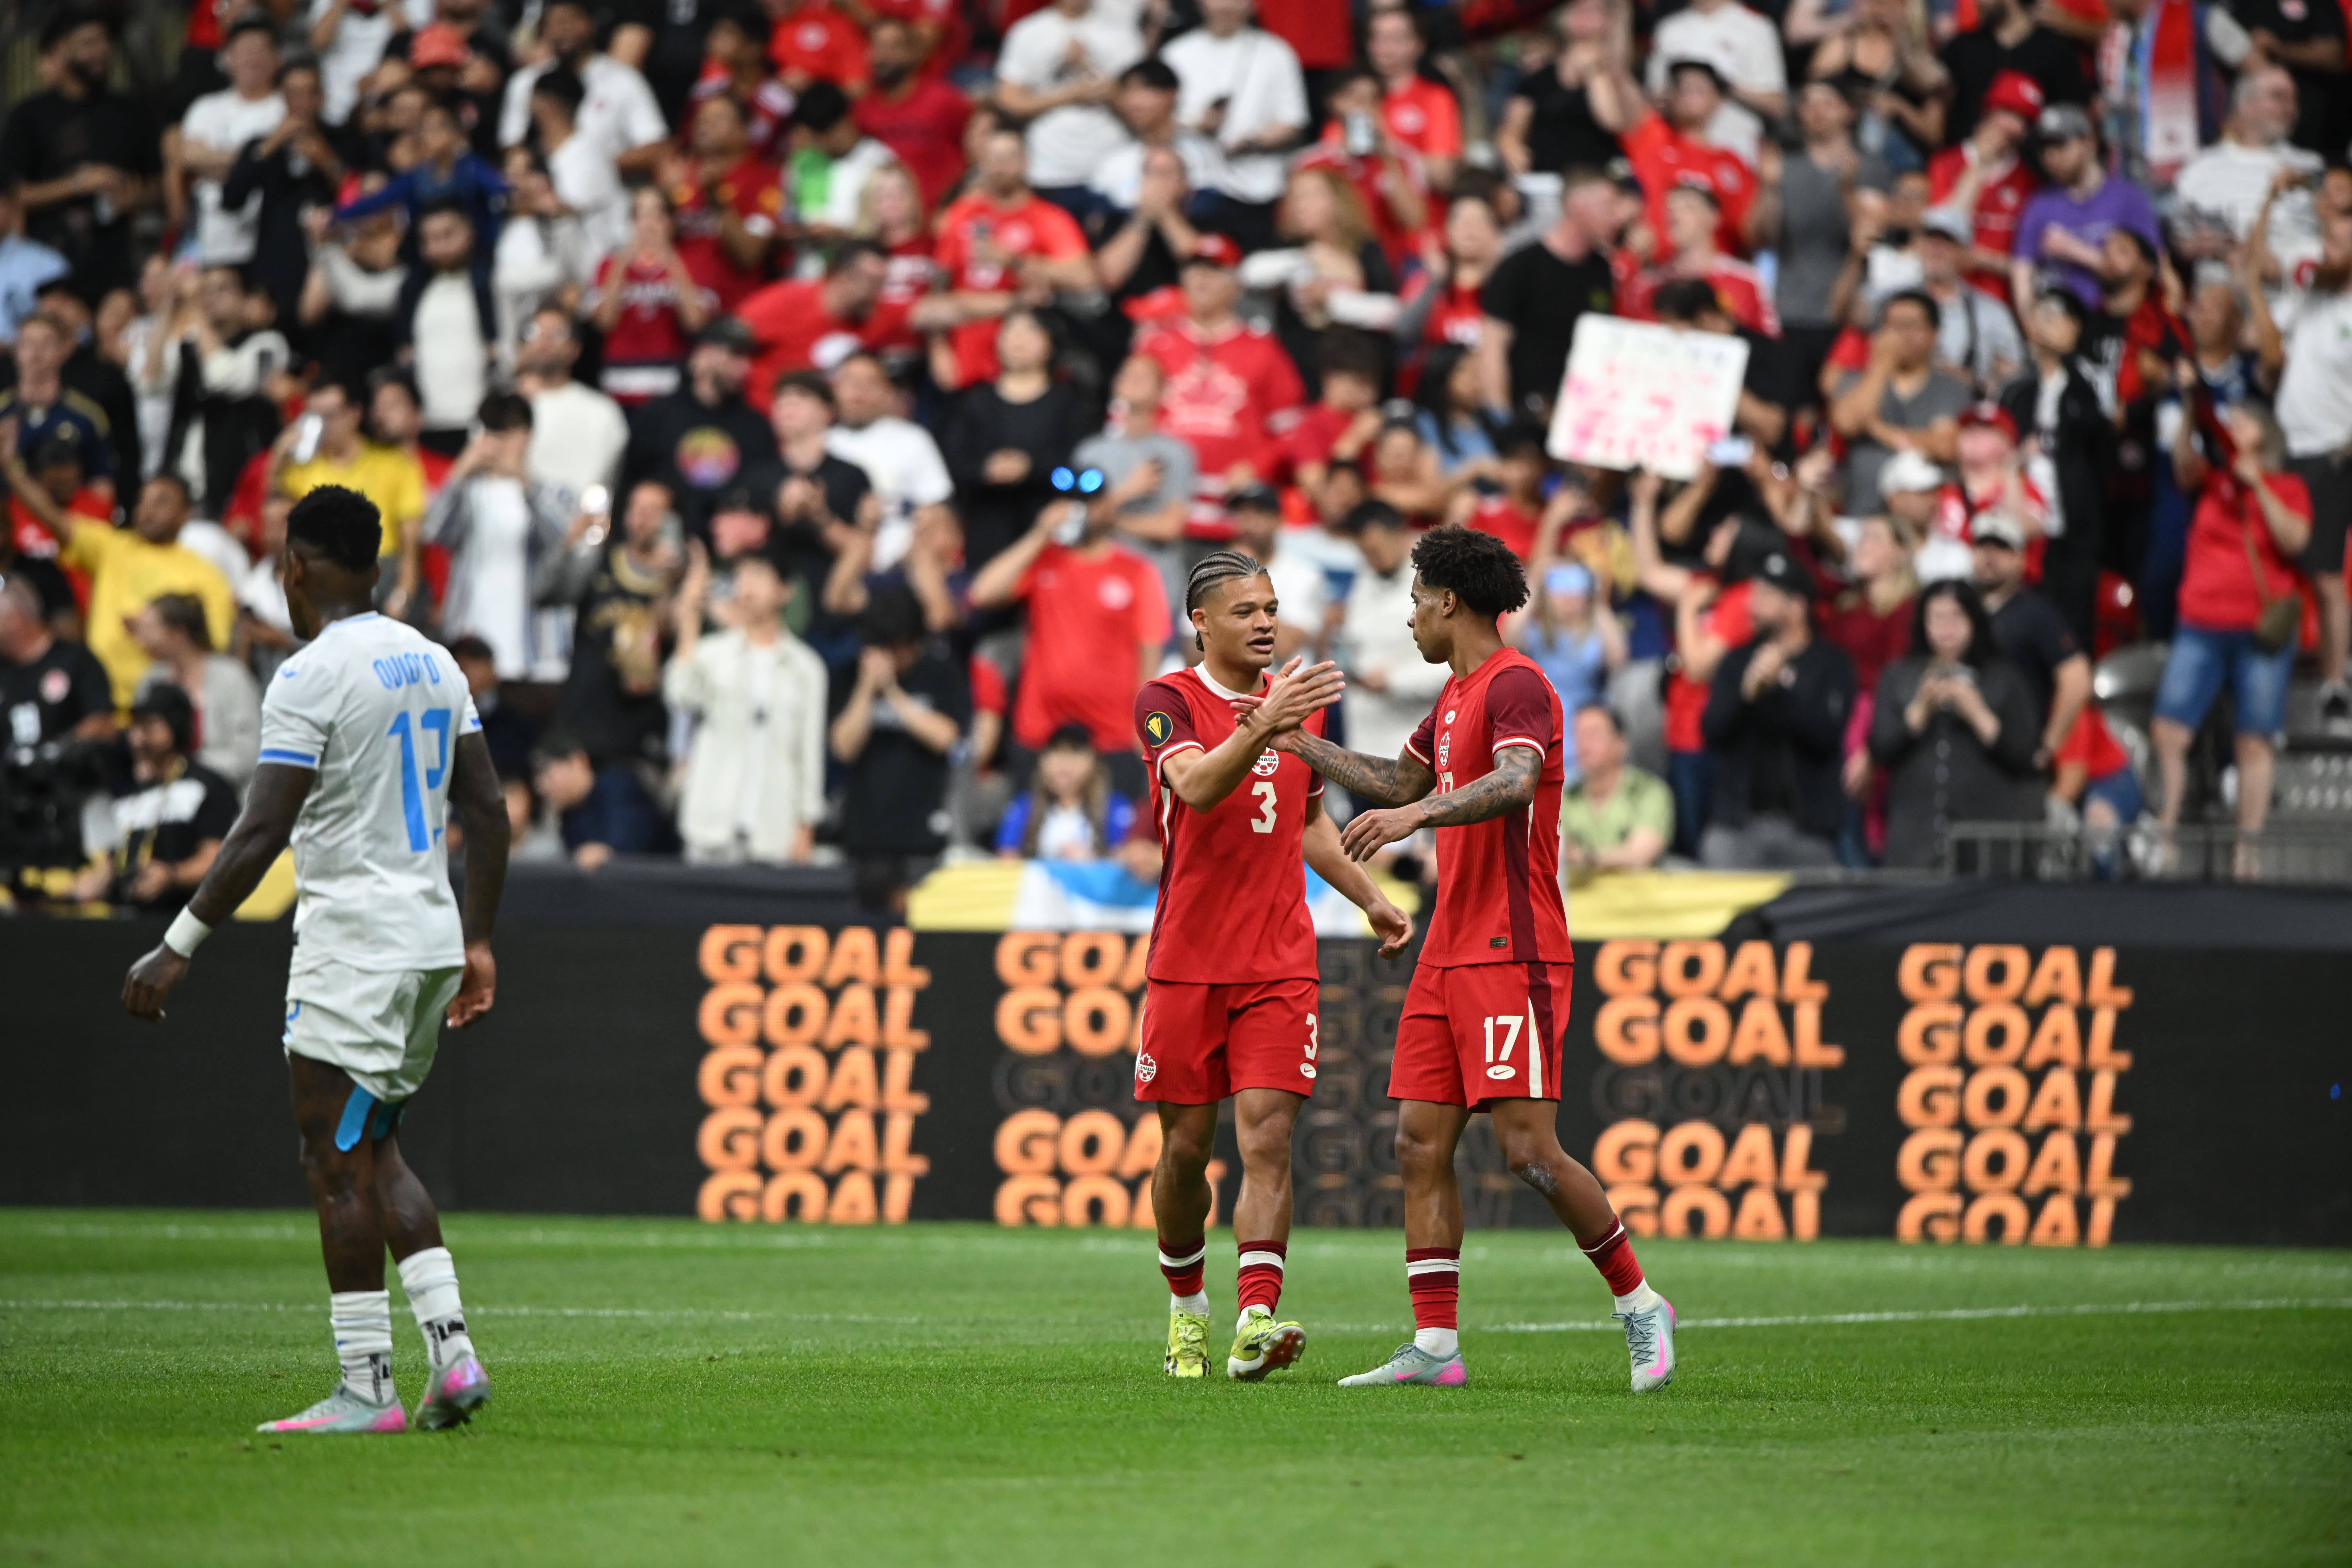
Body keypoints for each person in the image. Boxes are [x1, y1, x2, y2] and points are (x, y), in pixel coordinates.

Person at [121, 483, 511, 1436]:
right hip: (424, 944)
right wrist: (478, 937)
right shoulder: (435, 661)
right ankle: (453, 1358)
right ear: (375, 566)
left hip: (351, 948)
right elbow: (490, 812)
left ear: (295, 566)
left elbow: (261, 831)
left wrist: (176, 947)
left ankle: (364, 1388)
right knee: (373, 1148)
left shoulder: (309, 674)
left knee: (330, 1159)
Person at [1258, 526, 1673, 1394]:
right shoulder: (1452, 698)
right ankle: (1435, 1347)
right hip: (1449, 948)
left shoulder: (1516, 682)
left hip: (1512, 946)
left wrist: (1418, 820)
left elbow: (1515, 779)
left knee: (1527, 1149)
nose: (1409, 617)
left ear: (1448, 600)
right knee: (1417, 1143)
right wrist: (1295, 744)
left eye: (1415, 600)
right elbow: (1396, 781)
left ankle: (1638, 1302)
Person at [1130, 549, 1409, 1380]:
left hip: (1279, 960)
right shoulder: (1166, 702)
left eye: (1271, 607)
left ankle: (1256, 1316)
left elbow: (1308, 825)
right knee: (1185, 1151)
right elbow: (1197, 788)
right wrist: (1263, 721)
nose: (1263, 621)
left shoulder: (1295, 715)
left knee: (1267, 1138)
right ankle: (1187, 1308)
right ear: (1202, 622)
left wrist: (1371, 898)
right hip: (1187, 959)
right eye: (1245, 609)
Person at [2152, 393, 2311, 854]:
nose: (2232, 428)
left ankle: (2248, 848)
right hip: (2201, 620)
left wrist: (2258, 483)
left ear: (2265, 432)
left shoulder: (2287, 486)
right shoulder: (2212, 479)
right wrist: (2187, 409)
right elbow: (2183, 464)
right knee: (2168, 730)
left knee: (2254, 740)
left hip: (2258, 628)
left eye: (2241, 422)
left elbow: (2296, 540)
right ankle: (2165, 834)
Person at [967, 452, 1172, 793]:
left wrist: (1143, 731)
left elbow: (1150, 653)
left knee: (1109, 841)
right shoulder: (1044, 560)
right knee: (1032, 838)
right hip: (1040, 734)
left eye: (1088, 503)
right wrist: (1038, 535)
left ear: (1108, 506)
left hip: (1111, 737)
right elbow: (982, 593)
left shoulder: (1137, 572)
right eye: (1069, 502)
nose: (1078, 511)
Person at [3, 451, 234, 715]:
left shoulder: (206, 575)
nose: (148, 510)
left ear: (185, 514)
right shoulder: (113, 547)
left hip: (158, 710)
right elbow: (53, 518)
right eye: (144, 501)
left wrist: (160, 631)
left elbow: (211, 646)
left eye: (162, 503)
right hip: (96, 703)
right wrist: (10, 467)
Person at [2254, 185, 2352, 727]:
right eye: (2326, 241)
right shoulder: (2312, 295)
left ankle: (2336, 685)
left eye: (2339, 242)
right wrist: (2270, 201)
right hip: (2288, 450)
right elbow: (2257, 268)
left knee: (2327, 576)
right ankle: (2280, 680)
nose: (2326, 251)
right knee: (2286, 571)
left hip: (2330, 454)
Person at [664, 550, 828, 865]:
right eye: (742, 577)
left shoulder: (806, 668)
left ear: (785, 590)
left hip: (774, 832)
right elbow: (679, 694)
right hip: (711, 824)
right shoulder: (714, 653)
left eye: (759, 576)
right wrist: (689, 622)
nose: (747, 587)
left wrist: (806, 825)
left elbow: (810, 751)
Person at [1869, 577, 2043, 871]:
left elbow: (2027, 755)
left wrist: (1978, 714)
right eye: (1937, 619)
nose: (1946, 630)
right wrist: (1919, 712)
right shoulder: (1899, 677)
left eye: (1956, 618)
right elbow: (1879, 748)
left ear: (1974, 621)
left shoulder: (2004, 678)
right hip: (1916, 838)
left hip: (1986, 842)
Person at [1132, 236, 1305, 528]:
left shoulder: (1263, 349)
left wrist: (1257, 468)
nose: (1202, 278)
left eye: (1214, 270)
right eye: (1195, 268)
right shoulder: (1154, 344)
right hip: (1161, 508)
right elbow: (1127, 415)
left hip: (1235, 514)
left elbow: (1291, 429)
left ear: (1235, 285)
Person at [1698, 551, 1856, 869]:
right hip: (1738, 826)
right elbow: (1711, 732)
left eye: (1766, 595)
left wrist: (1780, 689)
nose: (1752, 605)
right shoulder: (1737, 661)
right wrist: (1747, 693)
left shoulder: (1831, 664)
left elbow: (1826, 733)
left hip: (1807, 829)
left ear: (1797, 607)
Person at [0, 7, 161, 304]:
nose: (100, 52)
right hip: (46, 270)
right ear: (60, 51)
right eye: (88, 43)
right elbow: (15, 193)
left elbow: (157, 184)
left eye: (105, 43)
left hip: (116, 268)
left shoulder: (132, 113)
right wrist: (78, 183)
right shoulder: (29, 115)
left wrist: (133, 196)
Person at [424, 392, 580, 690]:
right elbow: (434, 532)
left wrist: (525, 482)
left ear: (528, 436)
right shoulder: (467, 492)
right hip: (471, 649)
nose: (501, 440)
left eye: (511, 431)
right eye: (493, 430)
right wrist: (460, 471)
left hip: (534, 652)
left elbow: (562, 541)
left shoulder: (555, 493)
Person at [830, 584, 967, 909]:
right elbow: (843, 747)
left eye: (898, 648)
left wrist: (893, 694)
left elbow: (947, 737)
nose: (889, 657)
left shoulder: (939, 672)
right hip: (864, 834)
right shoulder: (850, 675)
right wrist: (866, 690)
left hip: (922, 835)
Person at [941, 310, 1092, 569]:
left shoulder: (1071, 401)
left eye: (1031, 331)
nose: (1019, 339)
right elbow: (952, 461)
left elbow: (1084, 461)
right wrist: (985, 469)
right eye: (1010, 331)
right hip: (986, 524)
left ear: (1051, 343)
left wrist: (1032, 468)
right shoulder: (973, 401)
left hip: (1052, 521)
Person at [274, 378, 430, 622]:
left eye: (330, 416)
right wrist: (279, 455)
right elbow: (271, 527)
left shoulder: (396, 465)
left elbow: (411, 547)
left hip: (382, 572)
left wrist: (402, 597)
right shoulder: (300, 472)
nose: (323, 426)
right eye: (314, 417)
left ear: (355, 413)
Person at [1159, 0, 1310, 250]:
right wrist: (1197, 125)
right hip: (1194, 188)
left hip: (1260, 188)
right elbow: (1157, 119)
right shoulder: (1177, 53)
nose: (1226, 6)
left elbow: (1293, 121)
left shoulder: (1275, 52)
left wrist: (1252, 143)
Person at [76, 682, 238, 912]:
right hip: (125, 924)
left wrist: (172, 876)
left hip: (185, 923)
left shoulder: (207, 786)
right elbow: (109, 867)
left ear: (177, 728)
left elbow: (219, 861)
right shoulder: (125, 794)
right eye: (134, 728)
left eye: (149, 728)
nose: (137, 740)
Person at [1475, 172, 1619, 422]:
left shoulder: (1602, 271)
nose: (1615, 218)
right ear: (1578, 206)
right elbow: (1493, 346)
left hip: (1580, 415)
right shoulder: (1521, 267)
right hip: (1528, 412)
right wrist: (1501, 417)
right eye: (1607, 207)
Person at [624, 317, 779, 534]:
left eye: (747, 358)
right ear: (704, 355)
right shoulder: (659, 415)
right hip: (661, 545)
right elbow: (630, 483)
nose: (745, 368)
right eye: (735, 355)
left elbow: (762, 497)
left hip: (729, 553)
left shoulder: (756, 428)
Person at [994, 0, 1143, 219]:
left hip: (1111, 167)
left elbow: (1140, 106)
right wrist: (1069, 95)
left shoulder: (1122, 33)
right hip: (1049, 168)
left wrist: (1085, 66)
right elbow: (1009, 102)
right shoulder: (1028, 32)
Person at [1831, 291, 1972, 520]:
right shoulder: (1856, 380)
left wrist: (1877, 429)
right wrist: (1882, 365)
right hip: (1862, 517)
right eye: (1892, 326)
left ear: (1934, 333)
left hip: (1925, 524)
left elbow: (1945, 446)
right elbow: (1846, 423)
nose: (1900, 336)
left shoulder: (1950, 387)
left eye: (1910, 326)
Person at [2009, 105, 2159, 315]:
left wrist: (2074, 250)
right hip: (2060, 323)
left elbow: (2148, 271)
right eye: (2044, 148)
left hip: (2118, 320)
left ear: (2089, 143)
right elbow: (2022, 270)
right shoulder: (2039, 205)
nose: (2051, 156)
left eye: (2060, 145)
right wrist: (2030, 324)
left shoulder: (2129, 199)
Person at [178, 11, 285, 270]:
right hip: (212, 233)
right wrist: (252, 161)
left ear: (277, 59)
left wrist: (218, 161)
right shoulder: (206, 108)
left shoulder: (284, 108)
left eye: (261, 50)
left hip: (269, 233)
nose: (253, 57)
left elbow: (280, 168)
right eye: (245, 50)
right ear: (228, 58)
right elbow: (190, 158)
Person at [590, 184, 714, 406]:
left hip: (672, 380)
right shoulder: (610, 265)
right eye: (641, 215)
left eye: (658, 216)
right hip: (620, 380)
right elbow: (605, 322)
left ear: (672, 221)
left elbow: (695, 323)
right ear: (632, 222)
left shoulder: (689, 264)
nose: (649, 225)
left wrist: (670, 260)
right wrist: (623, 263)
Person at [129, 592, 263, 793]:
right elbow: (137, 741)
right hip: (164, 801)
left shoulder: (232, 677)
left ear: (179, 633)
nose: (141, 640)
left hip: (227, 794)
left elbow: (249, 751)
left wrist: (187, 772)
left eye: (150, 629)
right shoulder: (150, 681)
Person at [514, 308, 630, 506]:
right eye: (534, 332)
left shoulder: (602, 412)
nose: (545, 341)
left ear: (576, 349)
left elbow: (608, 485)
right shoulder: (504, 408)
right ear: (522, 347)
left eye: (557, 334)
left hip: (581, 525)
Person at [852, 17, 971, 209]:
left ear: (914, 54)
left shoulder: (944, 101)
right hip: (885, 220)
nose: (883, 56)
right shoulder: (862, 109)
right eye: (877, 47)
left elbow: (972, 152)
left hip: (938, 216)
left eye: (893, 48)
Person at [994, 720, 1137, 859]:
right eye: (1056, 752)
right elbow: (1007, 856)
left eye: (1075, 753)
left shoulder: (1114, 807)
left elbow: (1126, 858)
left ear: (1094, 762)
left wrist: (1092, 861)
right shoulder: (1025, 806)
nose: (1064, 764)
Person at [1559, 704, 1673, 872]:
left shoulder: (1648, 791)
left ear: (1621, 743)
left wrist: (1584, 858)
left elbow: (1641, 855)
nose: (1584, 744)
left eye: (1594, 734)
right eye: (1578, 734)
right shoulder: (1564, 797)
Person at [0, 576, 111, 746]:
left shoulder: (75, 660)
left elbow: (103, 723)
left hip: (69, 769)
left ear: (16, 619)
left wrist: (55, 752)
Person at [1514, 561, 1625, 726]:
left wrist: (1597, 600)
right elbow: (1510, 638)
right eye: (1560, 592)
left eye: (1575, 593)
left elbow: (1619, 659)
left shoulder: (1594, 636)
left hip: (1584, 720)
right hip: (1540, 716)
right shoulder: (1537, 632)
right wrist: (1535, 586)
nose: (1568, 600)